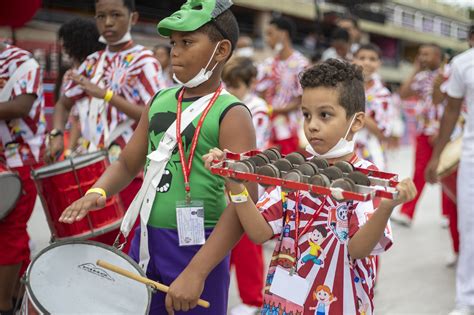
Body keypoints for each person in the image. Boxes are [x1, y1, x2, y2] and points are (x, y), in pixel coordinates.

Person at [58, 0, 257, 314]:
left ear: (221, 50)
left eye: (187, 42)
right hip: (147, 236)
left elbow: (245, 204)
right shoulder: (161, 99)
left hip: (200, 246)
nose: (175, 51)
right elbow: (127, 162)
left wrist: (196, 271)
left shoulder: (231, 113)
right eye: (173, 42)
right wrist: (98, 192)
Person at [203, 59, 417, 314]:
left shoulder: (365, 178)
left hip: (339, 302)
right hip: (284, 302)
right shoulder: (294, 171)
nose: (312, 125)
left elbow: (359, 249)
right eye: (306, 114)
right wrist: (234, 184)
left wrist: (386, 208)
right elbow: (259, 233)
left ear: (356, 122)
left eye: (324, 115)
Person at [48, 0, 164, 250]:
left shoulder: (144, 61)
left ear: (133, 18)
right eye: (101, 16)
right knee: (86, 243)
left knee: (119, 243)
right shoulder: (92, 62)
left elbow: (156, 115)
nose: (108, 23)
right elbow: (63, 104)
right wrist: (56, 133)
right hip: (89, 166)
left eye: (116, 15)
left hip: (128, 169)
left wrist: (106, 95)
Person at [425, 26, 474, 315]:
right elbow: (451, 111)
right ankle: (466, 298)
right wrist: (437, 156)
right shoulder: (463, 63)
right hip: (471, 155)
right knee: (469, 227)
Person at [0, 42, 46, 315]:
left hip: (20, 159)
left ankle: (4, 305)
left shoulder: (22, 61)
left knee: (9, 229)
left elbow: (21, 106)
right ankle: (18, 294)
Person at [222, 56, 270, 315]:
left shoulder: (258, 109)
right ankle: (219, 284)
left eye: (236, 86)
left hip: (248, 180)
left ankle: (253, 299)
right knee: (224, 236)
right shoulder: (226, 104)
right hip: (225, 177)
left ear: (250, 83)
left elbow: (251, 150)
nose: (231, 91)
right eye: (227, 85)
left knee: (247, 241)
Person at [391, 43, 455, 228]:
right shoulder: (421, 76)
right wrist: (415, 69)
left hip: (445, 132)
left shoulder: (449, 73)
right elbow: (403, 93)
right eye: (420, 54)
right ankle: (407, 213)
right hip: (423, 131)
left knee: (446, 172)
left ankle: (448, 215)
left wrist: (441, 130)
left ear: (438, 55)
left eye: (426, 54)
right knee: (419, 172)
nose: (422, 58)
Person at [256, 16, 309, 154]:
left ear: (283, 34)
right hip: (268, 124)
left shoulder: (300, 64)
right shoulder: (268, 63)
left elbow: (301, 98)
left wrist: (275, 111)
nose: (267, 38)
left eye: (270, 33)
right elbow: (260, 92)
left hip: (290, 127)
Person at [56, 17, 105, 156]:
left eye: (66, 43)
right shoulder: (72, 74)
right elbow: (68, 111)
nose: (63, 48)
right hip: (84, 144)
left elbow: (76, 116)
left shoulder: (87, 73)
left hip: (92, 146)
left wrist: (69, 150)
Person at [352, 43, 394, 170]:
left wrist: (357, 113)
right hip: (344, 150)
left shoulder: (383, 95)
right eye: (362, 58)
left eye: (372, 59)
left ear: (379, 63)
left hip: (370, 153)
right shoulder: (344, 88)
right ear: (353, 60)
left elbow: (383, 133)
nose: (367, 62)